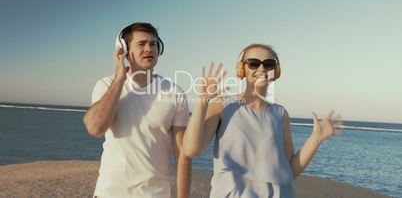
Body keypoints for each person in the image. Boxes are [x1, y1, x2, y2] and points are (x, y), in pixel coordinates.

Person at [182, 43, 342, 198]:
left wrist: (316, 139)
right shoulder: (222, 105)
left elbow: (289, 171)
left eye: (268, 64)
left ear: (275, 70)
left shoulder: (280, 114)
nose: (261, 69)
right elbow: (191, 150)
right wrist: (202, 101)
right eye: (253, 63)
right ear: (242, 68)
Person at [83, 22, 191, 198]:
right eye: (141, 44)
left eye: (153, 43)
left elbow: (182, 154)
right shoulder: (105, 86)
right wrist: (119, 78)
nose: (149, 48)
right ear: (124, 50)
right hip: (110, 193)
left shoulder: (175, 93)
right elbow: (95, 128)